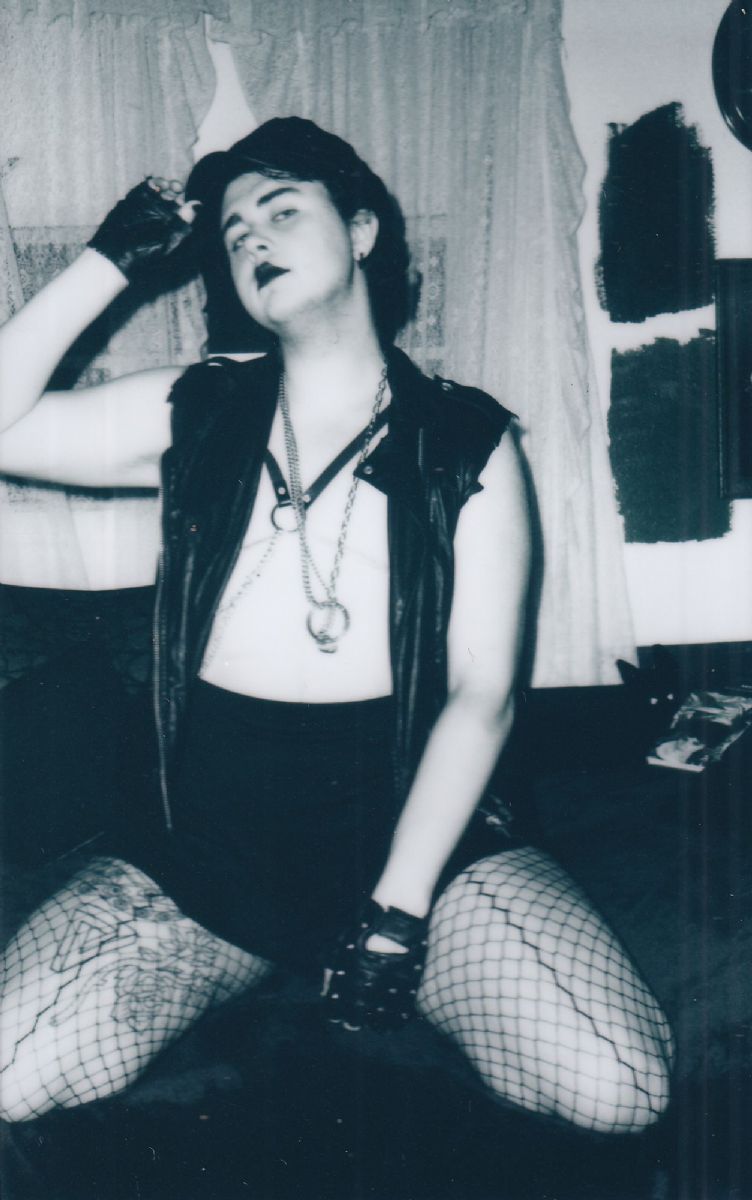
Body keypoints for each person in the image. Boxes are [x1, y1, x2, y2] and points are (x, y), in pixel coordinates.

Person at [0, 118, 673, 1132]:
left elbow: (483, 693)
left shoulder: (465, 440)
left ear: (361, 231)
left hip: (413, 835)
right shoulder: (195, 408)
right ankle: (232, 963)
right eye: (234, 233)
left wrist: (396, 914)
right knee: (8, 1073)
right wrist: (109, 262)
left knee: (620, 1088)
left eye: (282, 211)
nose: (253, 240)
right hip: (205, 849)